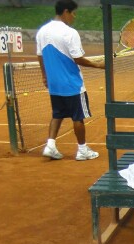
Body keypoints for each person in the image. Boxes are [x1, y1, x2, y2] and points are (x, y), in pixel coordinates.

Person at [36, 0, 105, 161]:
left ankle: (50, 145)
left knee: (57, 114)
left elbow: (40, 56)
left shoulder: (42, 31)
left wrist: (45, 76)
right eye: (73, 13)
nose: (74, 17)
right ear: (66, 12)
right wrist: (100, 65)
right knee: (78, 117)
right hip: (72, 84)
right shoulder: (70, 33)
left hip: (54, 84)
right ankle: (82, 150)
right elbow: (79, 59)